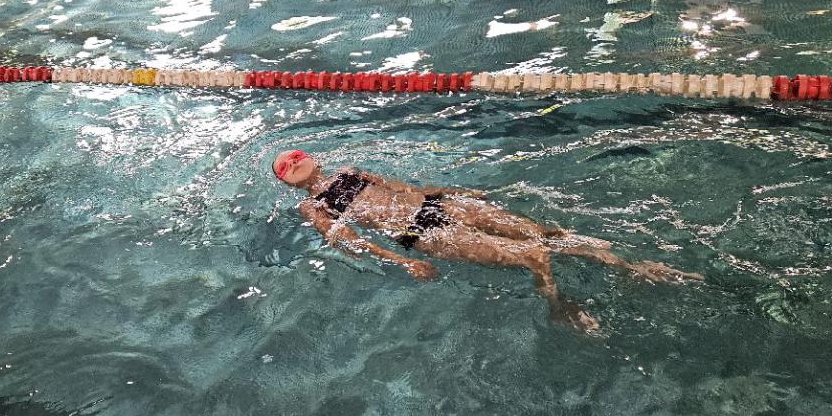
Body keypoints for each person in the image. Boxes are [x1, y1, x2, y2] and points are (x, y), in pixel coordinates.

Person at [271, 150, 702, 332]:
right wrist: (403, 262)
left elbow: (409, 189)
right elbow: (348, 241)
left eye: (297, 159)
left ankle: (629, 267)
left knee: (543, 234)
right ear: (291, 182)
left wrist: (456, 193)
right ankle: (558, 307)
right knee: (534, 255)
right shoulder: (312, 207)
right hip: (424, 233)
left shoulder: (350, 172)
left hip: (442, 207)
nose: (298, 164)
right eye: (291, 166)